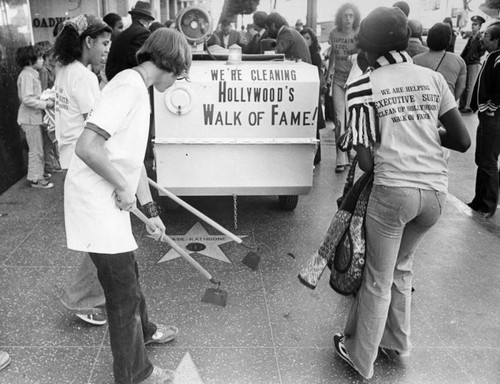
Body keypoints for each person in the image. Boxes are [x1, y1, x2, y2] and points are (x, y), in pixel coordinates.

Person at [332, 7, 470, 380]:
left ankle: (361, 359)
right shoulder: (432, 78)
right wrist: (424, 136)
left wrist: (391, 142)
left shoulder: (364, 85)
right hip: (436, 194)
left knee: (377, 277)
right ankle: (396, 342)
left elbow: (365, 163)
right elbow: (461, 139)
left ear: (367, 50)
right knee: (402, 267)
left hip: (394, 192)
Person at [65, 28, 191, 384]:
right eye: (180, 73)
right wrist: (122, 187)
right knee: (122, 294)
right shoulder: (128, 88)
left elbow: (131, 160)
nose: (178, 80)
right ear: (169, 63)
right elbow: (87, 146)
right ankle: (135, 375)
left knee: (128, 277)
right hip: (95, 200)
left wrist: (152, 213)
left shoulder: (138, 88)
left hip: (107, 200)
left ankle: (144, 333)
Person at [53, 14, 112, 325]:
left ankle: (91, 293)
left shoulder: (64, 70)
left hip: (69, 159)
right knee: (101, 231)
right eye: (103, 43)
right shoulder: (84, 77)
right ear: (87, 41)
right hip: (87, 162)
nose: (106, 48)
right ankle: (83, 298)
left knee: (97, 230)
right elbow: (98, 125)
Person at [468, 22, 500, 218]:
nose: (482, 38)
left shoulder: (498, 59)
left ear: (496, 40)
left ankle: (487, 205)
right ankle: (478, 200)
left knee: (488, 161)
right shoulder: (492, 57)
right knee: (481, 159)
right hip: (487, 117)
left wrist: (490, 107)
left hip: (493, 119)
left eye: (487, 35)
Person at [326, 2, 360, 173]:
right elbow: (333, 52)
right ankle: (340, 157)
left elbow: (366, 55)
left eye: (351, 15)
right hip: (338, 80)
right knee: (339, 119)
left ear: (355, 17)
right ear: (340, 17)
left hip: (354, 80)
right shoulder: (334, 33)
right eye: (345, 15)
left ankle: (349, 151)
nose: (347, 19)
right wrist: (328, 73)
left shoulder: (359, 34)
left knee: (352, 119)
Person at [16, 45, 54, 189]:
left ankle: (38, 173)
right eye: (39, 58)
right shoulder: (27, 75)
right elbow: (27, 99)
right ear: (30, 60)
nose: (42, 60)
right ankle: (36, 179)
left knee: (38, 147)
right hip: (29, 119)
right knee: (36, 149)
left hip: (33, 118)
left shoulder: (31, 73)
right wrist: (46, 104)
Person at [413, 22, 466, 100]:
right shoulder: (459, 61)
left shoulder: (415, 60)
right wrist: (451, 101)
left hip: (423, 104)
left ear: (429, 38)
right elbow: (461, 87)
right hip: (447, 105)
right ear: (449, 40)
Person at [105, 1, 154, 81]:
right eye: (149, 21)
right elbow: (138, 61)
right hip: (130, 82)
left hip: (115, 81)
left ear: (133, 17)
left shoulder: (120, 36)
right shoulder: (143, 33)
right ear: (146, 19)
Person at [34, 40, 62, 175]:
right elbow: (43, 92)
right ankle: (49, 166)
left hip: (47, 107)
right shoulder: (44, 71)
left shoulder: (48, 69)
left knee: (50, 139)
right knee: (48, 140)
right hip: (46, 108)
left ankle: (53, 164)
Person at [300, 26, 325, 164]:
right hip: (306, 91)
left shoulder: (315, 55)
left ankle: (316, 155)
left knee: (313, 123)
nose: (305, 40)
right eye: (303, 37)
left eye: (308, 38)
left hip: (313, 91)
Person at [459, 15, 486, 113]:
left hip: (474, 64)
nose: (473, 26)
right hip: (467, 63)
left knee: (470, 86)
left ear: (479, 26)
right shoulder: (472, 37)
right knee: (464, 85)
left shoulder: (480, 38)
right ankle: (462, 105)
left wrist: (472, 58)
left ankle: (468, 106)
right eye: (472, 24)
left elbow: (482, 51)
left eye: (475, 24)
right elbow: (466, 50)